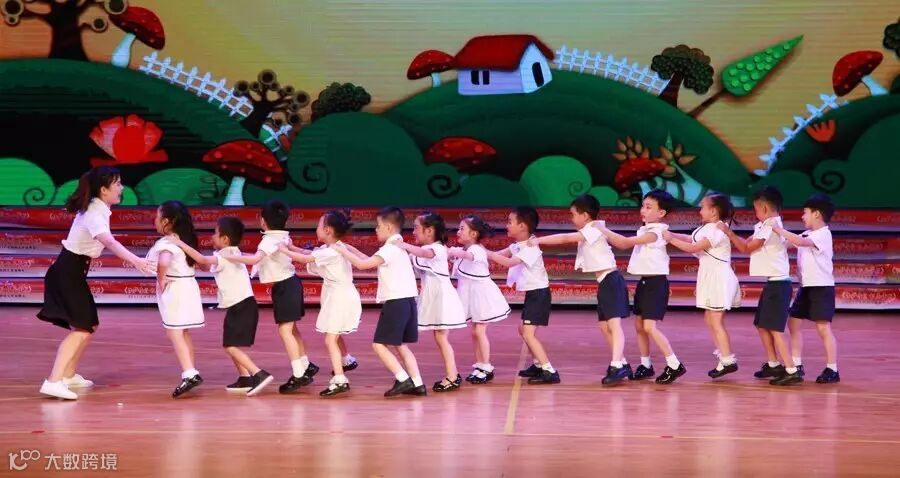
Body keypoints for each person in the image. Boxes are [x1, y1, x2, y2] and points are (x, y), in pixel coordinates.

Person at [38, 166, 155, 400]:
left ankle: (68, 376)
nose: (121, 188)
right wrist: (137, 261)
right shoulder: (94, 211)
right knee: (83, 327)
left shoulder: (98, 208)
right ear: (103, 190)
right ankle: (53, 381)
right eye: (117, 184)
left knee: (88, 325)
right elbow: (109, 242)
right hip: (67, 272)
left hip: (72, 272)